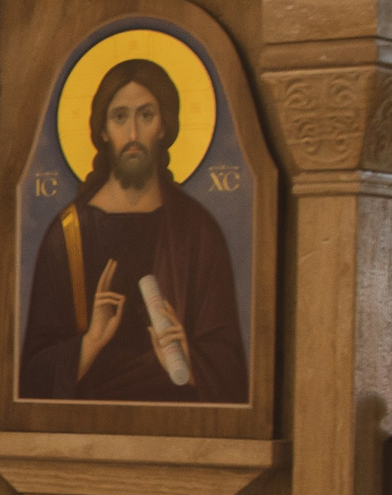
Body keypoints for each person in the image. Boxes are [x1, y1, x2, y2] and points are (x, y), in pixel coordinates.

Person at [18, 58, 248, 404]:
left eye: (146, 115)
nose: (133, 135)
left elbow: (231, 369)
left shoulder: (197, 231)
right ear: (104, 131)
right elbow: (33, 375)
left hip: (181, 424)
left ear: (164, 127)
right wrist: (91, 342)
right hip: (85, 427)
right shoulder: (69, 234)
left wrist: (188, 356)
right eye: (120, 117)